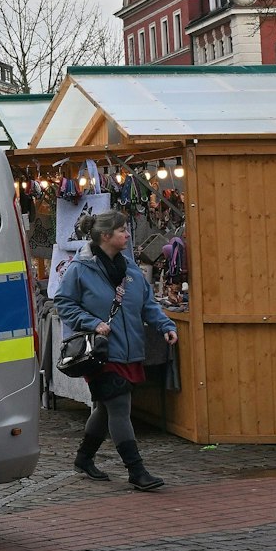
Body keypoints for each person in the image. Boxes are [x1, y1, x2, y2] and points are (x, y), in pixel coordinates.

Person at [55, 209, 177, 491]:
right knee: (120, 406)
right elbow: (64, 303)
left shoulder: (131, 269)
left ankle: (83, 458)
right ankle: (137, 471)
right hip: (101, 353)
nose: (127, 235)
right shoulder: (80, 269)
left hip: (130, 350)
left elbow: (147, 304)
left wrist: (165, 325)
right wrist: (92, 322)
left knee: (106, 408)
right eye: (122, 231)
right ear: (105, 236)